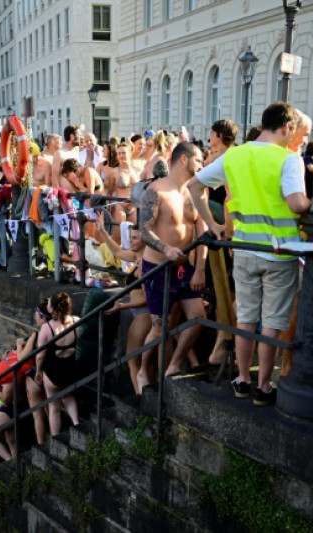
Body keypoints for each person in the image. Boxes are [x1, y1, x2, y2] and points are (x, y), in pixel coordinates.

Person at [190, 102, 311, 405]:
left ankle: (242, 379)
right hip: (279, 252)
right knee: (271, 322)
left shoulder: (235, 156)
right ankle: (263, 385)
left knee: (245, 319)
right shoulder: (288, 159)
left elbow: (194, 186)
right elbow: (297, 204)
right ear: (287, 127)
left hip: (244, 249)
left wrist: (214, 226)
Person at [136, 142, 208, 388]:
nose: (202, 166)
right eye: (198, 161)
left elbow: (202, 233)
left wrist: (199, 268)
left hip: (184, 266)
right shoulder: (156, 191)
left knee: (198, 317)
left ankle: (175, 364)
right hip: (157, 267)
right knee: (159, 327)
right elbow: (144, 231)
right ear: (184, 160)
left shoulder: (198, 191)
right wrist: (165, 248)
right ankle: (144, 371)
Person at [97, 223, 149, 395]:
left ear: (146, 239)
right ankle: (143, 394)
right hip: (141, 315)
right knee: (141, 361)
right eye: (130, 237)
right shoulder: (137, 258)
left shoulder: (143, 265)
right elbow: (118, 252)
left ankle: (141, 398)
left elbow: (147, 299)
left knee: (132, 359)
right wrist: (103, 231)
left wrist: (122, 306)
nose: (131, 241)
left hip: (144, 315)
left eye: (135, 238)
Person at [35, 292, 80, 436]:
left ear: (51, 309)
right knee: (68, 396)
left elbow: (40, 356)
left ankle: (56, 437)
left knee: (54, 406)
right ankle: (77, 425)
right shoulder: (76, 321)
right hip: (71, 368)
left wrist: (38, 371)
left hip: (53, 371)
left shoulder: (47, 328)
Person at [0, 345, 33, 463]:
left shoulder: (8, 374)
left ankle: (9, 460)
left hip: (9, 408)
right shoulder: (17, 369)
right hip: (17, 406)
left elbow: (5, 398)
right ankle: (16, 464)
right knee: (11, 440)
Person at [23, 299, 51, 444]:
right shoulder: (56, 328)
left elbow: (23, 357)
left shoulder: (37, 334)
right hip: (49, 377)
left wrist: (19, 345)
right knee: (51, 411)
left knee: (38, 416)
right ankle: (55, 442)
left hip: (35, 378)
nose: (35, 317)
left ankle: (42, 447)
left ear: (43, 316)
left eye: (37, 315)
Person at [102, 142, 139, 223]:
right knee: (121, 232)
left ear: (129, 154)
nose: (121, 155)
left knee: (133, 234)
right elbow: (109, 193)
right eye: (119, 153)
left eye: (123, 153)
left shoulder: (136, 170)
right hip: (120, 206)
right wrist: (108, 212)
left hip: (134, 207)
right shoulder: (114, 172)